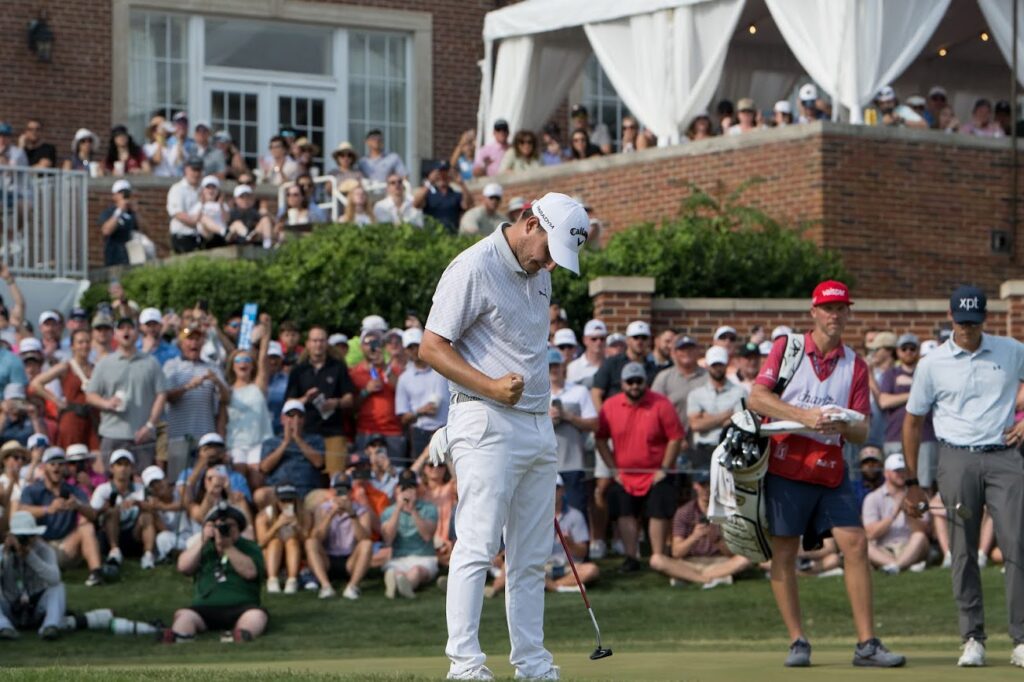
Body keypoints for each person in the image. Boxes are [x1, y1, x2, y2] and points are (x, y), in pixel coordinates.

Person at [420, 192, 588, 680]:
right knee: (476, 544)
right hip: (486, 419)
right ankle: (465, 665)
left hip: (537, 425)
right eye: (550, 248)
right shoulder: (472, 266)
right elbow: (432, 347)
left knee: (532, 557)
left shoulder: (541, 275)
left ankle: (532, 663)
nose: (553, 262)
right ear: (530, 222)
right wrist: (490, 386)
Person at [748, 280, 905, 667]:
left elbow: (862, 429)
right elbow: (757, 397)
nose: (835, 315)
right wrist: (805, 417)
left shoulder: (856, 363)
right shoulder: (788, 348)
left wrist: (839, 425)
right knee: (784, 552)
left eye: (841, 309)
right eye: (828, 308)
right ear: (814, 311)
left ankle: (867, 644)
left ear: (848, 313)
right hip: (785, 464)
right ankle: (797, 641)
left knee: (855, 544)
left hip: (831, 468)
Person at [903, 285, 1024, 668]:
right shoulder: (932, 363)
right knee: (963, 550)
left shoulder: (1011, 350)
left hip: (1005, 457)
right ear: (951, 317)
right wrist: (912, 481)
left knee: (1017, 545)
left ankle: (1022, 639)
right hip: (955, 458)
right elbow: (912, 421)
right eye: (962, 321)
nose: (968, 329)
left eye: (974, 322)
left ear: (984, 318)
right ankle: (972, 638)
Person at [596, 362, 684, 570]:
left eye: (639, 381)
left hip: (657, 473)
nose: (634, 385)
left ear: (645, 382)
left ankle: (658, 557)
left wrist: (663, 469)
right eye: (630, 382)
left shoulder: (661, 404)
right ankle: (631, 557)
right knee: (624, 512)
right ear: (622, 383)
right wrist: (613, 469)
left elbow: (676, 437)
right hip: (624, 474)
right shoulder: (610, 406)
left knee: (658, 511)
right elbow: (600, 438)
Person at [165, 502, 267, 643]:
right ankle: (181, 636)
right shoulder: (204, 548)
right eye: (218, 526)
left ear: (239, 528)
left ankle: (240, 635)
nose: (223, 529)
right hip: (204, 608)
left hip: (242, 607)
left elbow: (250, 572)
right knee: (185, 615)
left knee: (256, 615)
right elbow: (183, 567)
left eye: (229, 526)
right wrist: (203, 539)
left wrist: (228, 547)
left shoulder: (249, 547)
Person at [85, 317, 166, 470]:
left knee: (143, 483)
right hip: (112, 434)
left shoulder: (151, 362)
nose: (126, 331)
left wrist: (149, 426)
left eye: (130, 327)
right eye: (122, 328)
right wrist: (106, 403)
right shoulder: (104, 363)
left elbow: (161, 394)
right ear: (115, 333)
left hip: (142, 435)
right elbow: (90, 395)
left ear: (137, 333)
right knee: (112, 485)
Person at [15, 447, 103, 586]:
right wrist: (48, 509)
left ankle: (96, 573)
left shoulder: (73, 490)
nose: (57, 468)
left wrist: (78, 506)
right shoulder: (32, 490)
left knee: (86, 527)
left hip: (67, 545)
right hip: (41, 546)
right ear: (44, 467)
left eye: (61, 464)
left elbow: (93, 515)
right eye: (52, 464)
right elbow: (20, 511)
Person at [650, 473, 752, 588]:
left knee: (746, 558)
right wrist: (694, 537)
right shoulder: (684, 512)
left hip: (719, 561)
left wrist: (717, 540)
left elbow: (732, 553)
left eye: (710, 485)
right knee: (656, 559)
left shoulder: (726, 512)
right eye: (703, 485)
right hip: (690, 562)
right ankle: (707, 579)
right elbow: (676, 552)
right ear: (696, 486)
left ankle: (689, 577)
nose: (707, 489)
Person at [286, 326, 354, 472]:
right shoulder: (298, 370)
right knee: (308, 474)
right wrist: (305, 398)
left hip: (333, 430)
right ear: (308, 344)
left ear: (326, 344)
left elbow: (349, 398)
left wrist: (335, 403)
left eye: (322, 340)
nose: (318, 344)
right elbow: (288, 404)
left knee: (336, 476)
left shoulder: (338, 367)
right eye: (315, 340)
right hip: (307, 430)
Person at [163, 324, 228, 474]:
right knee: (178, 480)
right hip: (178, 436)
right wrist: (187, 387)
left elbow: (226, 399)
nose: (194, 343)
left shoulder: (213, 367)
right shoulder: (171, 366)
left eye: (197, 339)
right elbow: (166, 396)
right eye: (189, 339)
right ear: (181, 343)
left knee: (206, 479)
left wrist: (217, 382)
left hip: (206, 436)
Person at [878, 333, 937, 488]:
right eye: (904, 348)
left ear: (918, 350)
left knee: (924, 484)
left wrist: (903, 393)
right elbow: (884, 401)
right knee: (894, 483)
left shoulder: (927, 372)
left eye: (912, 348)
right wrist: (914, 393)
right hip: (895, 436)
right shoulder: (891, 374)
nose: (908, 352)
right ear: (898, 351)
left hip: (925, 436)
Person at [305, 473, 372, 600]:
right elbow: (317, 536)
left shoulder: (362, 511)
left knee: (367, 544)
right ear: (332, 491)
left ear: (351, 492)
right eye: (339, 490)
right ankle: (326, 586)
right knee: (310, 542)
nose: (342, 494)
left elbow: (364, 538)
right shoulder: (323, 509)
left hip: (350, 560)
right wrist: (331, 514)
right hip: (328, 559)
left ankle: (352, 586)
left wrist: (352, 514)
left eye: (345, 490)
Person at [0, 511, 65, 640]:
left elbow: (54, 579)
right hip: (10, 606)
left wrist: (30, 557)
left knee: (58, 587)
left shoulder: (45, 550)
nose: (26, 541)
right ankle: (4, 628)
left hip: (36, 607)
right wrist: (6, 556)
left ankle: (50, 626)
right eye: (21, 537)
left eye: (29, 536)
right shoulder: (2, 552)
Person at [547, 349, 597, 515]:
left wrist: (568, 416)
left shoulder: (579, 391)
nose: (553, 369)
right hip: (545, 464)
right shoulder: (536, 394)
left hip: (573, 464)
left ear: (563, 367)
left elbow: (594, 424)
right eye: (549, 366)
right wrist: (547, 420)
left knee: (576, 511)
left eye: (556, 365)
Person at [863, 453, 929, 575]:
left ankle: (895, 566)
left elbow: (923, 530)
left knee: (920, 537)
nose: (901, 474)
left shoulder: (917, 495)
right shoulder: (872, 498)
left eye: (904, 470)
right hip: (884, 548)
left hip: (909, 546)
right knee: (863, 543)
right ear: (886, 473)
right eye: (897, 471)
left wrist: (910, 513)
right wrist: (894, 514)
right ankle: (901, 564)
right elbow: (870, 533)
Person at [90, 449, 155, 571]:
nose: (123, 469)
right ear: (112, 468)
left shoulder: (140, 489)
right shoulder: (103, 489)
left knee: (147, 516)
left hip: (134, 534)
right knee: (113, 512)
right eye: (119, 465)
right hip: (109, 535)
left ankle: (148, 555)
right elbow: (93, 514)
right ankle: (114, 550)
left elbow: (152, 508)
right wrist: (108, 507)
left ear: (132, 468)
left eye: (126, 465)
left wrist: (138, 503)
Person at [381, 469, 438, 599]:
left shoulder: (429, 509)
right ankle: (399, 584)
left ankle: (401, 586)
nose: (407, 491)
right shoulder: (388, 512)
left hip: (424, 558)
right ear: (397, 490)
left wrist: (413, 510)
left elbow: (427, 536)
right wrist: (398, 509)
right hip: (399, 558)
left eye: (411, 487)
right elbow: (388, 539)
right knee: (395, 571)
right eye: (403, 488)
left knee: (416, 571)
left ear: (417, 490)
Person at [395, 328, 449, 461]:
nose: (414, 350)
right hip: (420, 433)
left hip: (446, 430)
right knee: (421, 475)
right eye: (410, 347)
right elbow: (403, 418)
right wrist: (420, 411)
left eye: (416, 346)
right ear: (406, 350)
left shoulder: (443, 369)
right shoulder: (404, 378)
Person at [687, 347, 745, 471]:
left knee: (728, 490)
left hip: (729, 448)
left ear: (726, 364)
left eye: (720, 364)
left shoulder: (740, 392)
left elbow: (738, 423)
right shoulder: (696, 394)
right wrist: (725, 415)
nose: (717, 368)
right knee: (702, 489)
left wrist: (707, 418)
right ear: (707, 366)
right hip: (703, 450)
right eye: (714, 365)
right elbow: (696, 425)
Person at [547, 474, 598, 592]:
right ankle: (560, 586)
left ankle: (552, 586)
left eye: (556, 488)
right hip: (544, 567)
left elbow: (582, 553)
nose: (552, 492)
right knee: (512, 566)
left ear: (563, 490)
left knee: (592, 570)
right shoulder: (535, 517)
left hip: (569, 567)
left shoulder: (575, 515)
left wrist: (569, 543)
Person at [255, 483, 305, 595]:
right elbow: (261, 544)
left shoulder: (303, 513)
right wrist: (276, 526)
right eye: (283, 500)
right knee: (275, 542)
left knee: (292, 541)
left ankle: (292, 580)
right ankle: (272, 579)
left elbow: (308, 541)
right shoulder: (264, 515)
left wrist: (297, 527)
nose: (287, 504)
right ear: (276, 501)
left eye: (290, 500)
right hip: (271, 554)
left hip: (295, 554)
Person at [413, 161, 472, 234]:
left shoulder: (456, 195)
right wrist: (430, 182)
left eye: (445, 173)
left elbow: (467, 205)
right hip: (431, 237)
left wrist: (461, 183)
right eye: (439, 173)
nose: (442, 176)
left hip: (451, 237)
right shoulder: (428, 193)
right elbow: (416, 204)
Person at [167, 157, 204, 253]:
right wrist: (197, 223)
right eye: (194, 170)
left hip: (200, 237)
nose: (196, 174)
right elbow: (178, 214)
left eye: (199, 170)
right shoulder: (177, 189)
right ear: (186, 169)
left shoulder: (203, 189)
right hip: (182, 237)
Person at [97, 179, 138, 266]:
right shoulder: (109, 212)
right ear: (114, 195)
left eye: (127, 193)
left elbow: (146, 231)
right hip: (114, 257)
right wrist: (119, 211)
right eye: (122, 193)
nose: (125, 196)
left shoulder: (132, 213)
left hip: (130, 257)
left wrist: (136, 212)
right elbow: (106, 231)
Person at [227, 184, 273, 248]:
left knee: (265, 220)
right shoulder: (231, 212)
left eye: (248, 197)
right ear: (235, 199)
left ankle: (267, 246)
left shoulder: (253, 212)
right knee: (237, 224)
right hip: (235, 240)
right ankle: (247, 237)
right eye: (242, 197)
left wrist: (267, 214)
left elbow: (263, 224)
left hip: (251, 239)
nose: (245, 200)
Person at [189, 175, 229, 248]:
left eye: (213, 188)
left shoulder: (223, 205)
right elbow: (194, 221)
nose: (211, 191)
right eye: (208, 188)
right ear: (203, 190)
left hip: (219, 237)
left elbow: (226, 220)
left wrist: (221, 206)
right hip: (205, 236)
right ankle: (223, 231)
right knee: (203, 218)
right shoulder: (198, 206)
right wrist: (202, 205)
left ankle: (223, 232)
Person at [567, 319, 607, 388]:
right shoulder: (573, 367)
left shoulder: (611, 364)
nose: (599, 342)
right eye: (594, 339)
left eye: (602, 339)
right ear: (585, 340)